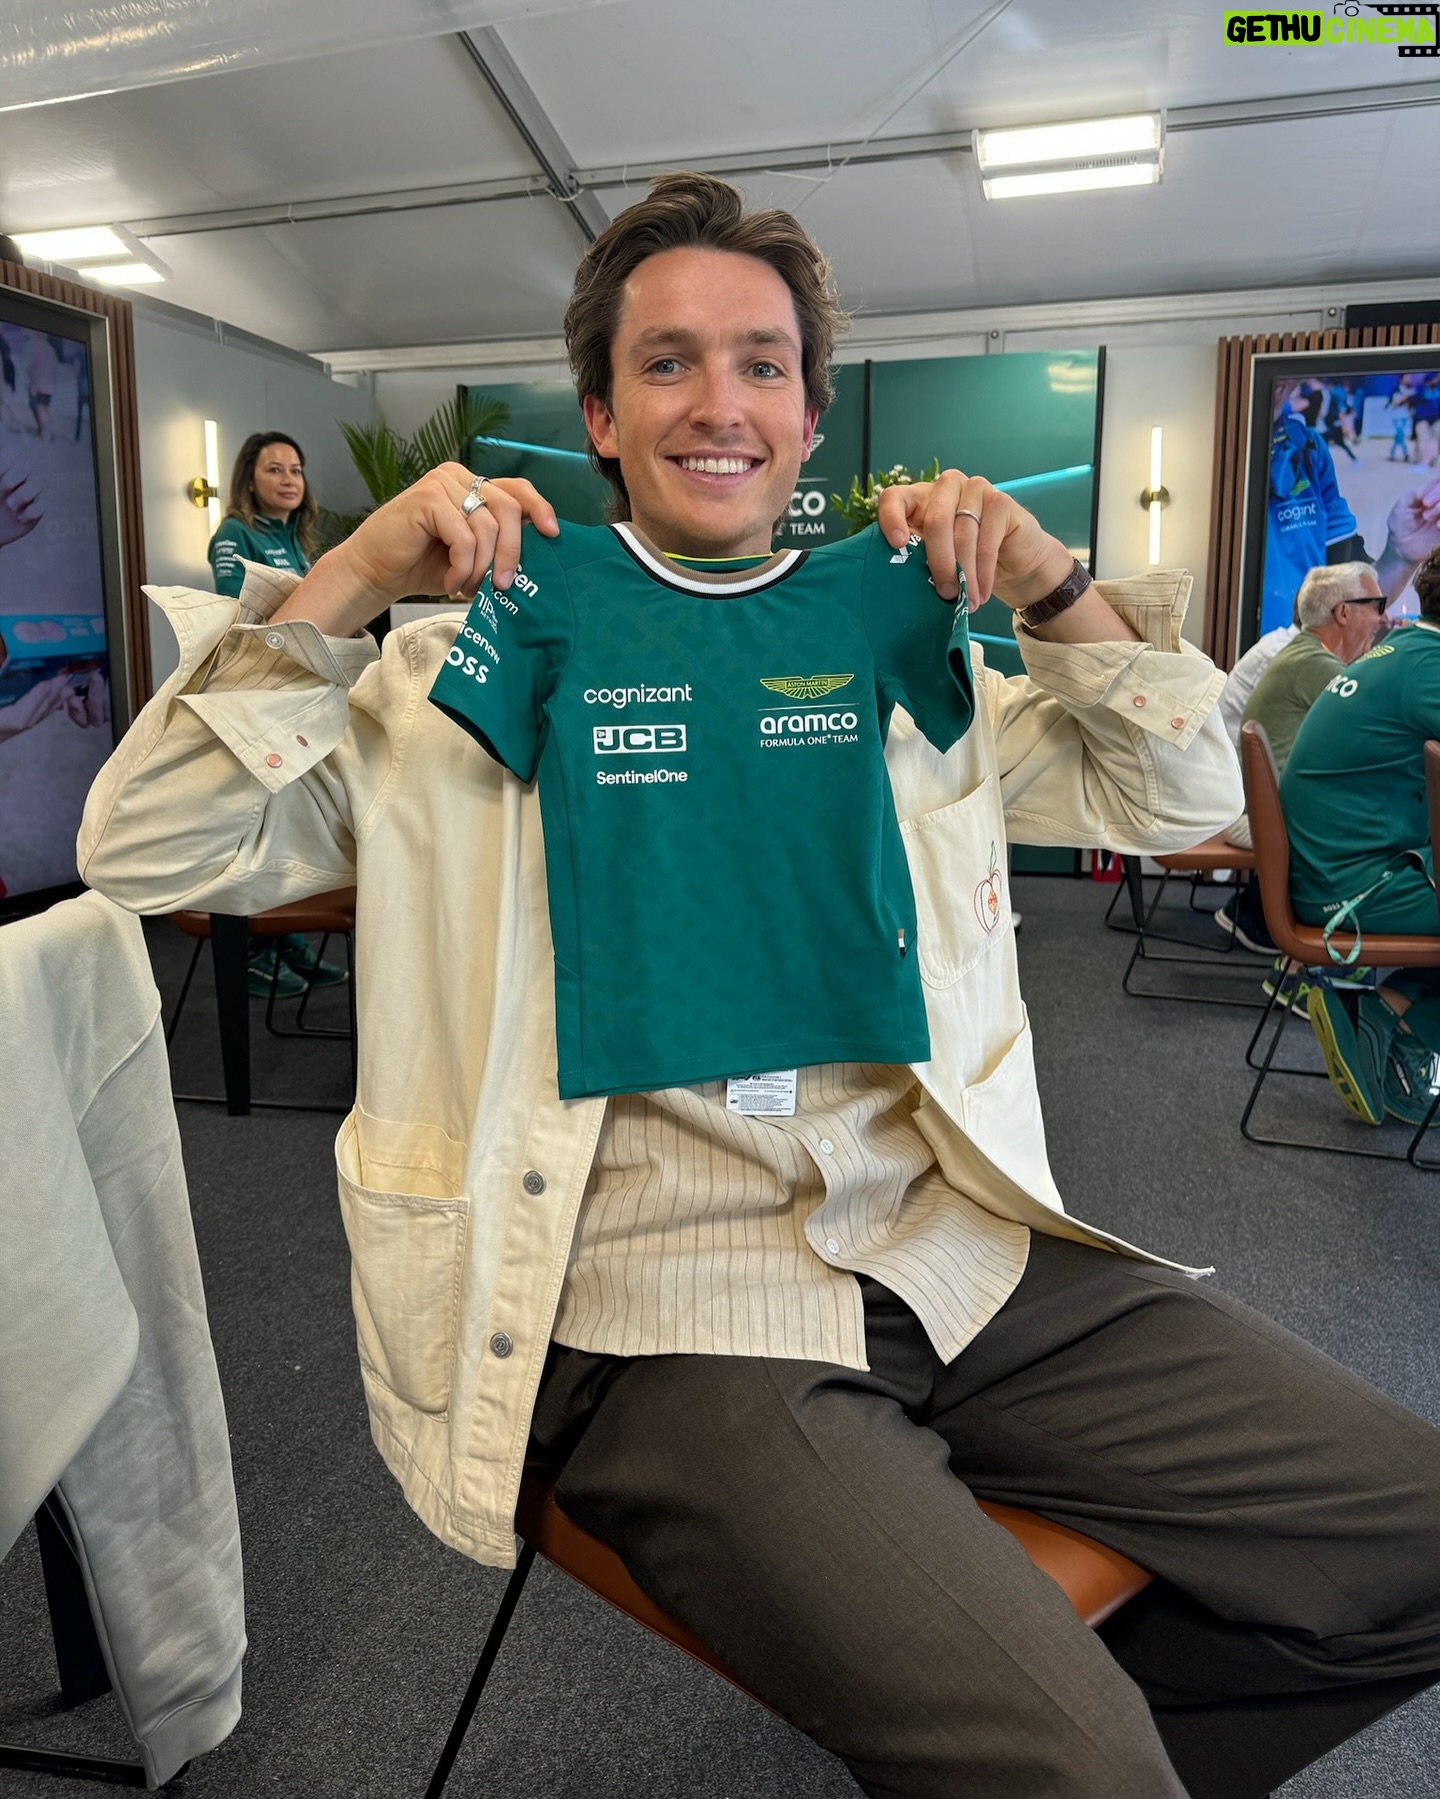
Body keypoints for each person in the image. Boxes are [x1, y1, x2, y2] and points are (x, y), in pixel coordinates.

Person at [79, 174, 1440, 1799]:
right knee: (1072, 1762)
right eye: (666, 362)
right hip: (652, 1301)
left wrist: (1051, 583)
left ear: (806, 418)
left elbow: (1188, 799)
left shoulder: (907, 658)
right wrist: (354, 574)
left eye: (762, 364)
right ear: (601, 416)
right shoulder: (456, 673)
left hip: (949, 1241)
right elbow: (144, 846)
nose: (718, 401)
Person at [1283, 545, 1440, 1126]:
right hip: (1350, 890)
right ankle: (1400, 1026)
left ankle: (1387, 1015)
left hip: (1342, 871)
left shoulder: (1406, 654)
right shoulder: (1428, 668)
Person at [206, 431, 345, 999]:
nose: (289, 479)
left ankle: (289, 942)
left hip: (299, 696)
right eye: (274, 469)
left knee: (292, 824)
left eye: (296, 469)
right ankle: (252, 952)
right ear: (249, 478)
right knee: (257, 825)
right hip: (254, 698)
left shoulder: (298, 538)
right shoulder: (234, 535)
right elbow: (243, 613)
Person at [1217, 562, 1385, 960]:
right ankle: (1326, 955)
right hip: (1264, 820)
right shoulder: (1319, 667)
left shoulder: (1303, 654)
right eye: (1377, 606)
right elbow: (1380, 737)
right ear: (1343, 613)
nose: (1383, 619)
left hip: (1258, 810)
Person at [1261, 376, 1440, 636]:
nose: (1284, 380)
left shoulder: (1308, 450)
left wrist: (1399, 556)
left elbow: (1348, 603)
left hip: (1305, 658)